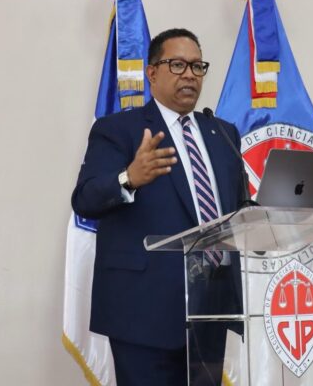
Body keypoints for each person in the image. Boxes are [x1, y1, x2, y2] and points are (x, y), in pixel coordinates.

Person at [71, 28, 244, 386]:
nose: (190, 75)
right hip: (141, 310)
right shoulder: (118, 129)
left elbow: (236, 210)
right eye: (177, 65)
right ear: (151, 73)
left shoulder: (222, 132)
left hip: (210, 307)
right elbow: (85, 199)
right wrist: (128, 178)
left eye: (197, 66)